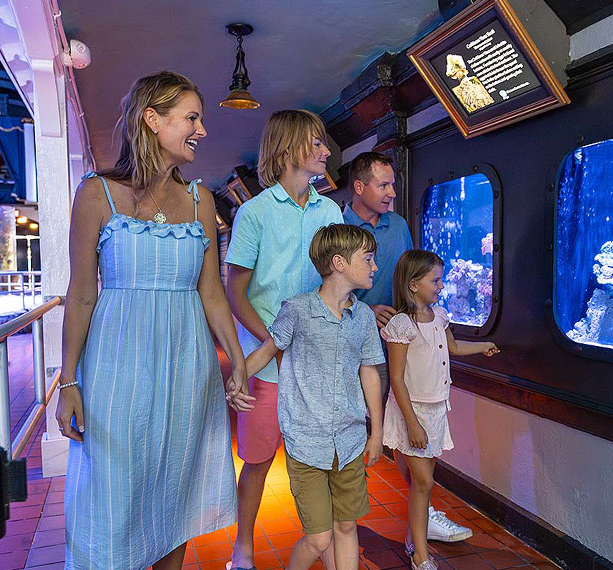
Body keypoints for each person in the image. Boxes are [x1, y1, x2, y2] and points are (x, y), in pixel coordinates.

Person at [55, 71, 251, 570]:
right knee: (112, 495)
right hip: (116, 370)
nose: (202, 130)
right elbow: (80, 295)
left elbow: (211, 290)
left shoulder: (199, 200)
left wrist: (239, 362)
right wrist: (68, 380)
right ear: (152, 119)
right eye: (191, 118)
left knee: (175, 497)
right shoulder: (96, 193)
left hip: (188, 370)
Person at [225, 109, 344, 570]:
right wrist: (275, 338)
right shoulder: (253, 213)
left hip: (318, 362)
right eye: (316, 143)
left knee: (320, 462)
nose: (325, 151)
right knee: (256, 461)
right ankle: (244, 548)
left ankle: (325, 546)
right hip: (268, 363)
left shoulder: (330, 211)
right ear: (290, 147)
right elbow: (235, 291)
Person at [344, 152, 471, 545]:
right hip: (347, 343)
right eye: (383, 185)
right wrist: (365, 308)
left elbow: (410, 277)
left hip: (393, 345)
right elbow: (323, 282)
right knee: (350, 425)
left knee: (399, 429)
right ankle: (343, 517)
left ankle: (422, 512)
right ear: (359, 187)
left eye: (392, 185)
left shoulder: (397, 224)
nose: (392, 194)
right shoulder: (334, 224)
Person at [244, 224, 385, 570]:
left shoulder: (364, 317)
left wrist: (377, 432)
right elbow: (266, 351)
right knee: (319, 538)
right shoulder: (297, 309)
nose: (374, 267)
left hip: (350, 440)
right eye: (367, 259)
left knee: (348, 525)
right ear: (339, 262)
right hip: (306, 441)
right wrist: (234, 380)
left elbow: (369, 371)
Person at [381, 249, 500, 570]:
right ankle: (420, 554)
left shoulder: (440, 317)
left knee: (424, 480)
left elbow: (454, 347)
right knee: (423, 483)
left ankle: (413, 537)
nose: (441, 286)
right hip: (412, 412)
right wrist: (412, 424)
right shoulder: (401, 325)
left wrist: (483, 346)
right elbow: (395, 378)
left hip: (435, 411)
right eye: (435, 280)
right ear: (413, 284)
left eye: (441, 280)